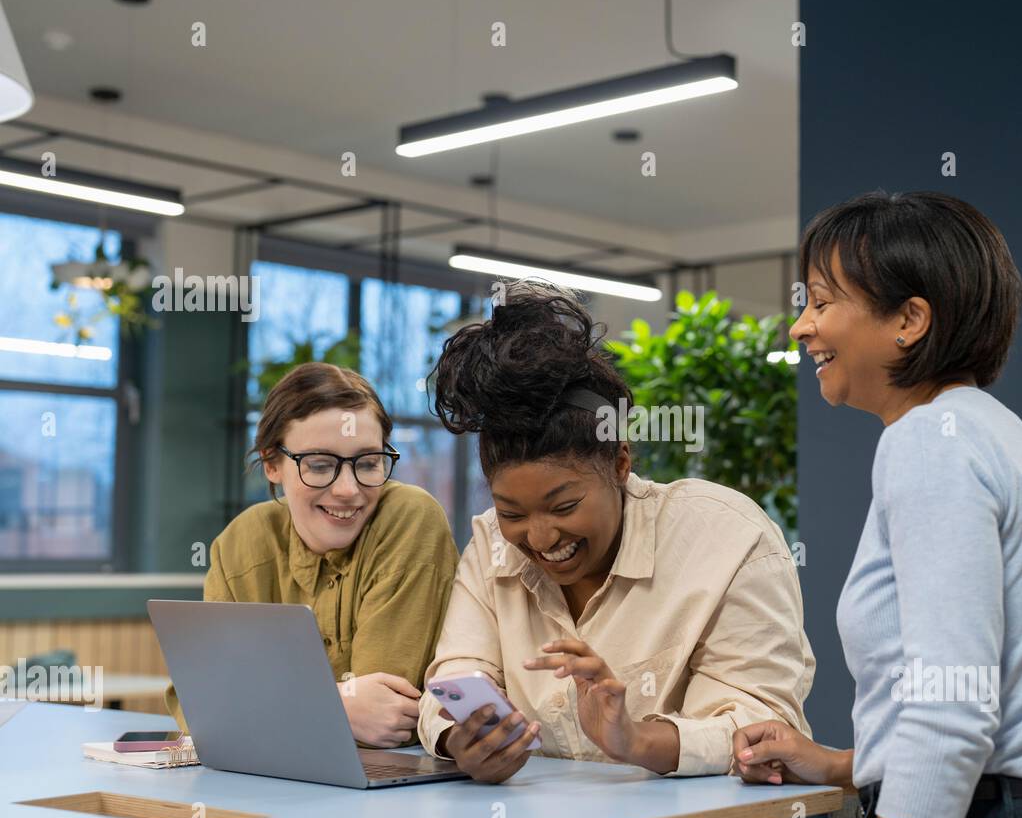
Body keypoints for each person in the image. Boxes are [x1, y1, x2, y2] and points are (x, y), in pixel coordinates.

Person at [733, 191, 1022, 818]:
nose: (801, 327)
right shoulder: (983, 427)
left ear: (910, 319)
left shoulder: (931, 442)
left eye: (823, 303)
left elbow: (952, 711)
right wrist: (841, 764)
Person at [415, 280, 815, 782]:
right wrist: (464, 737)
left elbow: (762, 723)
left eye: (564, 505)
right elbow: (455, 675)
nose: (538, 538)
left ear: (621, 462)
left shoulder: (729, 540)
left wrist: (637, 738)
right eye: (511, 512)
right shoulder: (492, 542)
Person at [164, 362, 458, 748]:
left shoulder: (409, 516)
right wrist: (339, 702)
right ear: (271, 463)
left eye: (368, 463)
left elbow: (385, 715)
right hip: (267, 775)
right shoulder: (242, 542)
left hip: (391, 790)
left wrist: (259, 703)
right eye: (320, 466)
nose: (348, 490)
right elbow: (198, 703)